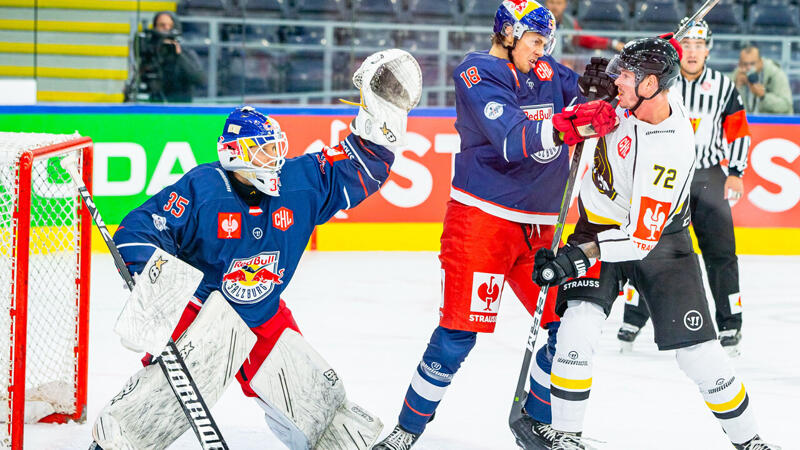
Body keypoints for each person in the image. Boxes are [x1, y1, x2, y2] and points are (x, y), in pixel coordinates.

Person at [90, 49, 422, 450]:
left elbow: (364, 164)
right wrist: (155, 285)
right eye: (260, 151)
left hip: (265, 315)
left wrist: (384, 113)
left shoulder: (301, 183)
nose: (273, 159)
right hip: (205, 316)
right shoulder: (203, 189)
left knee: (318, 403)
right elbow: (137, 231)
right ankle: (119, 436)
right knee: (171, 393)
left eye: (274, 148)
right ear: (234, 155)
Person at [372, 2, 619, 449]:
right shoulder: (476, 73)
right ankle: (407, 430)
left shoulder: (544, 69)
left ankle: (535, 420)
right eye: (535, 41)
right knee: (458, 334)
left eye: (546, 43)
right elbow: (511, 138)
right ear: (508, 33)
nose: (542, 51)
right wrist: (572, 122)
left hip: (541, 230)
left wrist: (601, 92)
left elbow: (582, 98)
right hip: (484, 223)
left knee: (565, 324)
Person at [532, 36, 777, 450]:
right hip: (598, 224)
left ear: (650, 85)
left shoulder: (669, 148)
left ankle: (749, 440)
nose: (617, 80)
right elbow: (604, 97)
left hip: (659, 242)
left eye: (626, 76)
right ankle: (567, 437)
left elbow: (641, 241)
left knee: (700, 354)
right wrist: (590, 96)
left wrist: (576, 256)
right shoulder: (635, 96)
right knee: (578, 327)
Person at [619, 19, 752, 356]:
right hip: (665, 175)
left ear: (708, 49)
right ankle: (634, 316)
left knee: (721, 252)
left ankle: (730, 322)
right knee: (648, 242)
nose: (692, 51)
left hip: (708, 176)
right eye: (687, 44)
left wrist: (735, 171)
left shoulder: (723, 87)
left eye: (699, 45)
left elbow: (738, 131)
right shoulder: (663, 82)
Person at [126, 11, 205, 103]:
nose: (166, 29)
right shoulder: (150, 52)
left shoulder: (186, 53)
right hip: (153, 105)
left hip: (179, 106)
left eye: (170, 26)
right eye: (162, 25)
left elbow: (200, 79)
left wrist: (178, 55)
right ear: (155, 27)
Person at [545, 0, 625, 57]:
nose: (554, 6)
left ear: (565, 5)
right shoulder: (538, 20)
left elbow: (585, 39)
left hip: (563, 63)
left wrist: (612, 43)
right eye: (551, 2)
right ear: (546, 3)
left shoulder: (570, 23)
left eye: (559, 3)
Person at [731, 44, 793, 115]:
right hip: (747, 123)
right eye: (745, 64)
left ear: (761, 62)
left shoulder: (775, 73)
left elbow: (786, 106)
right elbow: (727, 109)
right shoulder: (737, 75)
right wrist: (737, 88)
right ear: (739, 64)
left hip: (774, 123)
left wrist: (763, 97)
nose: (749, 68)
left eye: (752, 63)